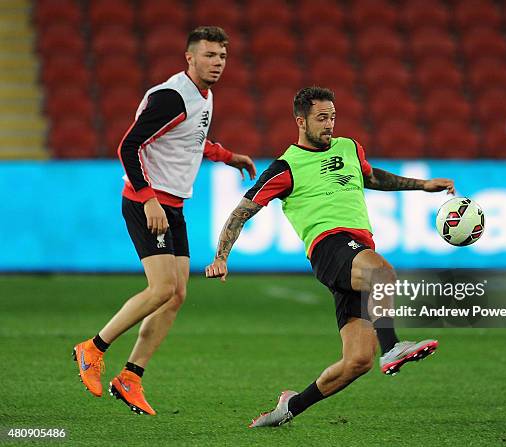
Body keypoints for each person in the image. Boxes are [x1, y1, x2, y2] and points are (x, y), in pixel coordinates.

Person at [205, 87, 455, 427]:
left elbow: (372, 177)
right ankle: (393, 347)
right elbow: (240, 212)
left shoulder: (349, 147)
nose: (329, 125)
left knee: (357, 362)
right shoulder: (286, 167)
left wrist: (422, 185)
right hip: (329, 248)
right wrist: (221, 256)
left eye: (333, 117)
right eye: (321, 118)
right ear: (301, 121)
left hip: (356, 253)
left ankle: (288, 408)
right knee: (383, 273)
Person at [72, 26, 256, 415]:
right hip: (147, 203)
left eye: (222, 56)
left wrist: (227, 156)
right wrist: (148, 199)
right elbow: (128, 145)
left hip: (173, 206)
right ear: (189, 57)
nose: (217, 63)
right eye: (209, 55)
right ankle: (92, 348)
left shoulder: (203, 96)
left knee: (176, 295)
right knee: (160, 289)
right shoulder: (172, 96)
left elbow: (191, 138)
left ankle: (131, 377)